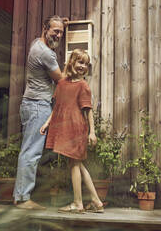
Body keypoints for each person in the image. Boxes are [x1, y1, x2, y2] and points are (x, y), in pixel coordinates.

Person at [13, 15, 68, 210]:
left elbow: (49, 38)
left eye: (61, 32)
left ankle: (21, 195)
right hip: (38, 106)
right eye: (55, 31)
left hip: (31, 104)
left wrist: (60, 23)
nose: (59, 35)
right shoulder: (46, 54)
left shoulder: (36, 43)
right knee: (31, 152)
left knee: (29, 150)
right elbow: (60, 80)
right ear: (45, 29)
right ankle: (22, 198)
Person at [40, 49, 104, 214]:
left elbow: (88, 110)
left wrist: (92, 132)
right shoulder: (62, 84)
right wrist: (47, 123)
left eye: (85, 64)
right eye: (79, 62)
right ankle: (96, 201)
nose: (82, 66)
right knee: (77, 164)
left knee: (75, 164)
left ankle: (77, 203)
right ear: (72, 62)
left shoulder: (83, 86)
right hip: (64, 128)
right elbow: (57, 107)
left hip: (76, 128)